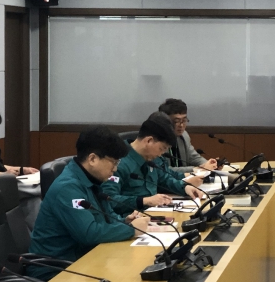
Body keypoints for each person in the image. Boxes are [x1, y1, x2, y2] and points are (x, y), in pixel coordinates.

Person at [27, 126, 149, 281]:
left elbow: (107, 216)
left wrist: (124, 221)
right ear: (92, 159)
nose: (115, 169)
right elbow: (89, 233)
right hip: (54, 269)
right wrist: (131, 229)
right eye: (113, 162)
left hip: (82, 259)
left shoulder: (91, 179)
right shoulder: (67, 188)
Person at [102, 113, 200, 215]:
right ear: (149, 141)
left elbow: (164, 179)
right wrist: (144, 201)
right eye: (161, 149)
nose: (161, 154)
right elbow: (109, 200)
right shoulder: (118, 162)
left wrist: (185, 187)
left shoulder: (151, 159)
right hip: (130, 218)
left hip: (154, 214)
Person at [158, 98, 218, 173]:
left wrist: (209, 165)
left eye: (184, 120)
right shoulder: (156, 141)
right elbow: (163, 170)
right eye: (176, 121)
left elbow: (193, 157)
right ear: (164, 121)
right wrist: (196, 169)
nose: (181, 125)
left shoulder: (183, 136)